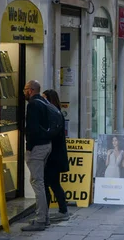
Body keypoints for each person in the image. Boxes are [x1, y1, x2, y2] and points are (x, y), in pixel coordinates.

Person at [21, 80, 52, 232]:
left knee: (37, 182)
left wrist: (29, 148)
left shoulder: (33, 104)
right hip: (46, 145)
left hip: (37, 148)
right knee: (39, 181)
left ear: (31, 90)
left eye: (25, 89)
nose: (24, 91)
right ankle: (44, 217)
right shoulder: (44, 102)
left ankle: (41, 219)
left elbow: (31, 129)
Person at [43, 89, 70, 222]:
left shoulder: (54, 114)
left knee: (49, 184)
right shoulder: (56, 112)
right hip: (56, 156)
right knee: (54, 184)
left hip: (54, 156)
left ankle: (48, 213)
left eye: (44, 98)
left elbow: (52, 134)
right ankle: (62, 209)